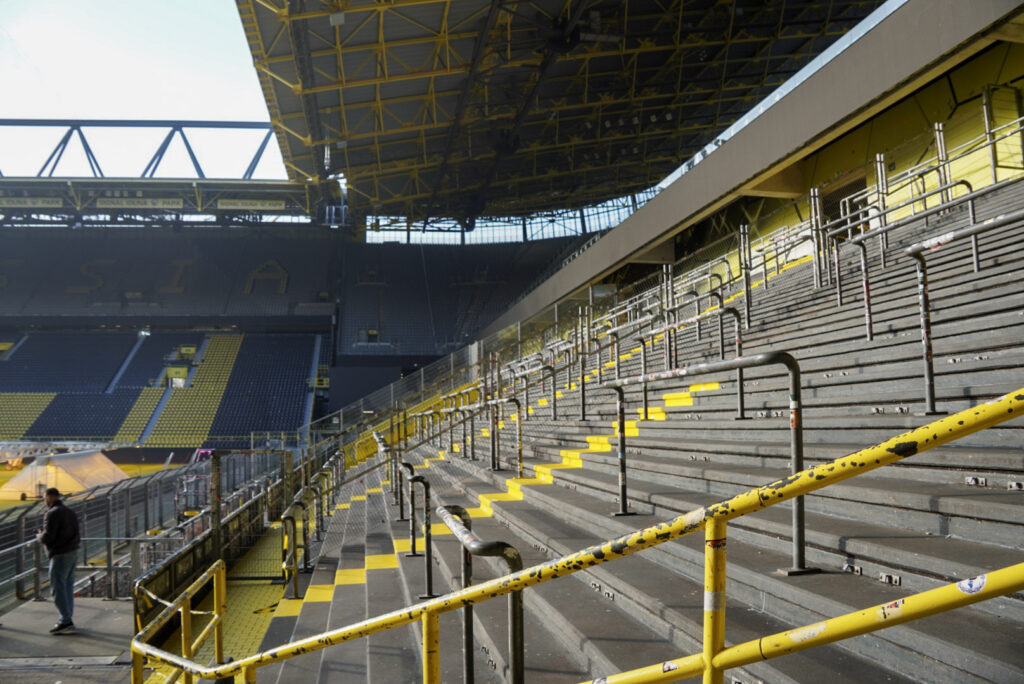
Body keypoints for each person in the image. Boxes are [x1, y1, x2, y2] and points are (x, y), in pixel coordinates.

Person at [37, 487, 80, 634]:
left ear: (50, 497)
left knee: (57, 587)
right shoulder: (70, 511)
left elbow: (49, 537)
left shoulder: (52, 513)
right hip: (72, 551)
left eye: (45, 497)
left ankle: (65, 620)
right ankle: (67, 617)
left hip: (60, 553)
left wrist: (39, 536)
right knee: (67, 585)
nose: (44, 500)